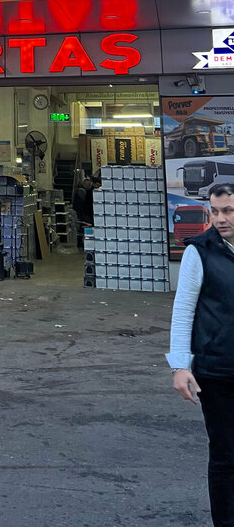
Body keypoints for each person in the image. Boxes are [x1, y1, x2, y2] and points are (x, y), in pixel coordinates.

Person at [167, 182, 234, 526]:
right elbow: (183, 311)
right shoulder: (199, 251)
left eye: (228, 211)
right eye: (215, 212)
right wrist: (180, 366)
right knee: (225, 456)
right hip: (217, 370)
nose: (221, 219)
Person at [72, 174, 95, 250]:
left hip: (80, 212)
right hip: (82, 212)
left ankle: (80, 242)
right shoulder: (82, 191)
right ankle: (81, 242)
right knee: (83, 227)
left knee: (82, 227)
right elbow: (84, 203)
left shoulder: (80, 190)